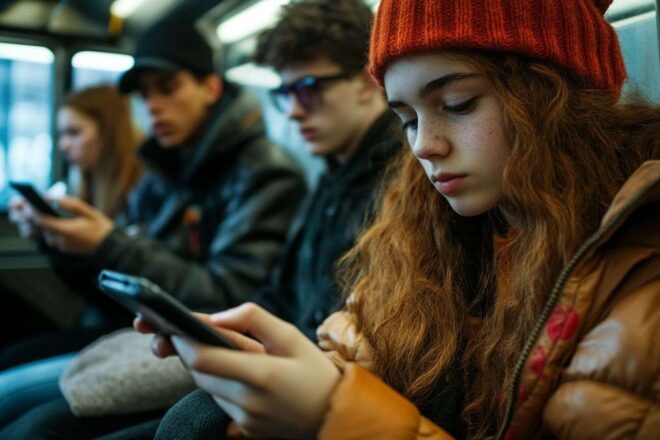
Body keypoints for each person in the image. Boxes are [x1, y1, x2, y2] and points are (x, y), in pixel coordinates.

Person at [141, 0, 660, 439]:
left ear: (558, 97)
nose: (423, 147)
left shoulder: (641, 262)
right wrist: (271, 367)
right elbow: (353, 347)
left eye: (458, 104)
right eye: (406, 119)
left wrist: (331, 414)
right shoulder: (427, 233)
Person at [0, 17, 305, 437]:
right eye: (144, 95)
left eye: (167, 88)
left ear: (211, 89)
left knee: (19, 412)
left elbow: (231, 298)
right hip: (136, 333)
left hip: (190, 347)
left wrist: (110, 244)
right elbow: (116, 293)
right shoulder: (163, 171)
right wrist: (62, 244)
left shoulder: (263, 173)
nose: (152, 106)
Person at [150, 0, 400, 437]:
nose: (294, 111)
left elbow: (357, 338)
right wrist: (213, 324)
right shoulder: (331, 177)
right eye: (284, 94)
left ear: (365, 83)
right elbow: (282, 296)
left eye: (308, 89)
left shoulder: (401, 186)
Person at [2, 84, 143, 364]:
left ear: (108, 134)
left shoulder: (142, 192)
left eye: (74, 133)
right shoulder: (86, 190)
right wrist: (49, 239)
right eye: (62, 134)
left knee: (12, 362)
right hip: (98, 316)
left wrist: (102, 244)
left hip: (128, 328)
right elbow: (88, 287)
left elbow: (127, 294)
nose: (64, 144)